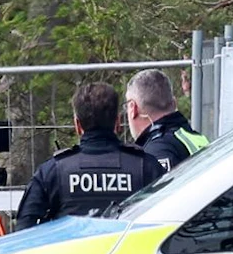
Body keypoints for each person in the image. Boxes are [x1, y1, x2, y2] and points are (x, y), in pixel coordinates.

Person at [18, 82, 165, 230]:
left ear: (77, 125)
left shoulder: (52, 172)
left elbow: (24, 230)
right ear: (118, 121)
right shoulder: (146, 167)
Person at [124, 68, 208, 172]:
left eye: (127, 106)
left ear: (133, 108)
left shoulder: (156, 151)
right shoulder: (190, 136)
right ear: (174, 103)